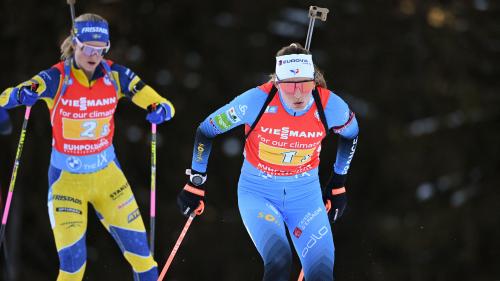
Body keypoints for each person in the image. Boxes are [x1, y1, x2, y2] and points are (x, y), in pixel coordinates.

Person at [0, 13, 174, 281]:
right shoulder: (57, 78)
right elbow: (9, 96)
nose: (94, 55)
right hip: (66, 183)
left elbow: (159, 102)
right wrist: (22, 94)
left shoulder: (116, 76)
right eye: (87, 48)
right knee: (72, 268)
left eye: (100, 49)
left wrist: (160, 109)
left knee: (145, 263)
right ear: (75, 44)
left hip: (109, 179)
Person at [176, 43, 359, 281]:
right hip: (259, 194)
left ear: (313, 82)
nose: (297, 94)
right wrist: (196, 182)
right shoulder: (255, 101)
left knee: (322, 272)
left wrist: (338, 183)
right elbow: (207, 130)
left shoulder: (330, 106)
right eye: (289, 86)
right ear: (277, 83)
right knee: (280, 261)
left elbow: (351, 134)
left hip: (305, 197)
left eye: (304, 84)